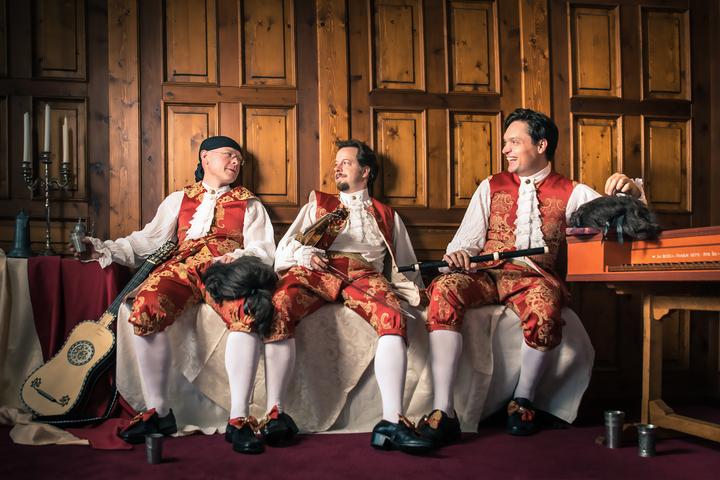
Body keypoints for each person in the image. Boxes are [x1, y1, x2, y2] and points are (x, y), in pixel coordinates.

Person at [417, 108, 644, 445]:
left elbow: (626, 222)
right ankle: (444, 409)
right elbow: (466, 240)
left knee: (545, 305)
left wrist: (632, 192)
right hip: (485, 273)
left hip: (534, 278)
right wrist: (459, 254)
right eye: (505, 143)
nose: (505, 149)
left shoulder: (572, 191)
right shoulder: (491, 185)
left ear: (541, 145)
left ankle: (523, 400)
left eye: (513, 142)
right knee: (445, 288)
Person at [72, 135, 297, 454]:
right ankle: (158, 412)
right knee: (146, 304)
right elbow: (146, 241)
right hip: (182, 266)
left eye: (239, 159)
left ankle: (238, 419)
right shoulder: (179, 199)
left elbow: (263, 250)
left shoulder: (250, 203)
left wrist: (236, 257)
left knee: (246, 311)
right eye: (229, 155)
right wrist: (103, 249)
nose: (236, 162)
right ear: (205, 158)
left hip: (227, 268)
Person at [271, 139, 434, 454]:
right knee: (280, 304)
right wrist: (304, 254)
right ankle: (274, 414)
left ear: (366, 171)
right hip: (317, 269)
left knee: (393, 316)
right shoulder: (318, 204)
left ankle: (392, 422)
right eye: (336, 163)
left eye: (346, 162)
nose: (337, 168)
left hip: (364, 275)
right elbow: (284, 250)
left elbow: (404, 264)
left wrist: (417, 293)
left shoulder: (387, 215)